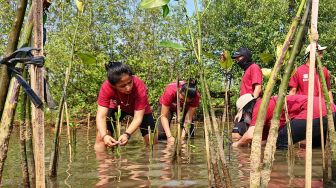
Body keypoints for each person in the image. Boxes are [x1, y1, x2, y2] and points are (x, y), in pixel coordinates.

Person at [231, 94, 335, 148]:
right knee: (316, 148)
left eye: (244, 115)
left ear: (247, 109)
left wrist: (238, 144)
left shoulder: (260, 106)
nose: (245, 118)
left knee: (280, 140)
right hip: (332, 110)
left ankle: (282, 173)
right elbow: (265, 140)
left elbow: (250, 135)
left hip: (315, 111)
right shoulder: (267, 106)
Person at [94, 62, 157, 152]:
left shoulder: (139, 84)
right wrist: (105, 136)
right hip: (116, 106)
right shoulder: (106, 87)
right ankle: (104, 164)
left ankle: (146, 164)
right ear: (113, 85)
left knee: (152, 141)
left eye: (130, 82)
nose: (128, 88)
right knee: (100, 138)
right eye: (122, 86)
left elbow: (138, 117)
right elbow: (101, 116)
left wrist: (127, 134)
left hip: (139, 109)